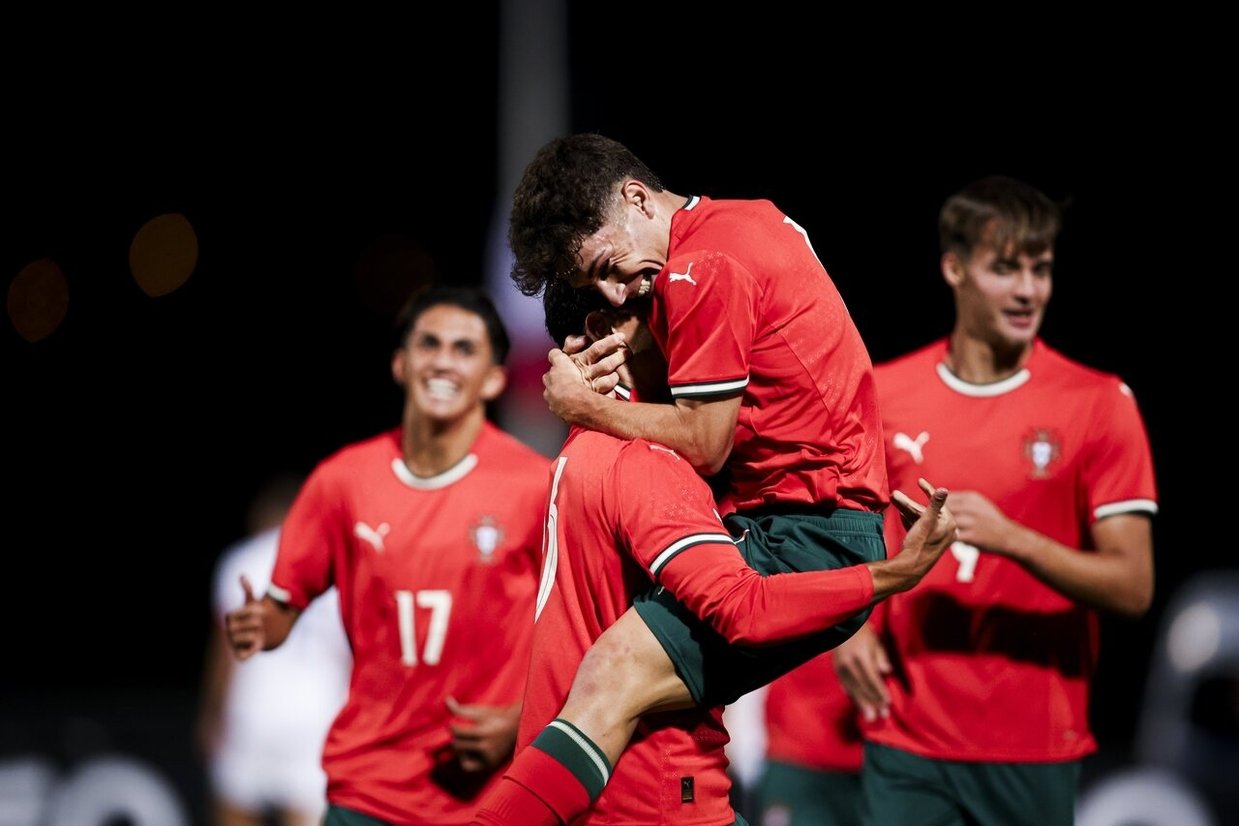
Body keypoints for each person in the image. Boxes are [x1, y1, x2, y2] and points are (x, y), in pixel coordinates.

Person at [472, 283, 957, 825]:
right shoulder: (646, 461)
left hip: (598, 784)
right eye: (666, 316)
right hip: (652, 793)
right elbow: (744, 609)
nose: (696, 333)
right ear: (606, 334)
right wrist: (895, 572)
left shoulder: (581, 448)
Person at [831, 175, 1158, 826]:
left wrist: (1012, 538)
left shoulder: (1097, 403)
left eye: (1039, 269)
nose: (1027, 290)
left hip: (1032, 746)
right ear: (953, 268)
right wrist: (851, 628)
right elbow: (847, 526)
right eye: (1004, 269)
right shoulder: (883, 392)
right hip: (905, 735)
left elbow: (1133, 585)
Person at [224, 286, 549, 826]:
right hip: (368, 789)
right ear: (401, 364)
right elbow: (281, 610)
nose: (444, 360)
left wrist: (522, 721)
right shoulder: (341, 482)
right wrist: (261, 623)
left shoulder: (537, 486)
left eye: (464, 349)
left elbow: (583, 630)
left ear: (494, 378)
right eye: (430, 344)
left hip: (491, 795)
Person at [198, 472, 352, 826]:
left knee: (235, 810)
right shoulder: (336, 564)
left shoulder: (242, 560)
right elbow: (352, 653)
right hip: (318, 714)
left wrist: (212, 712)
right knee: (306, 814)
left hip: (253, 710)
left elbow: (226, 652)